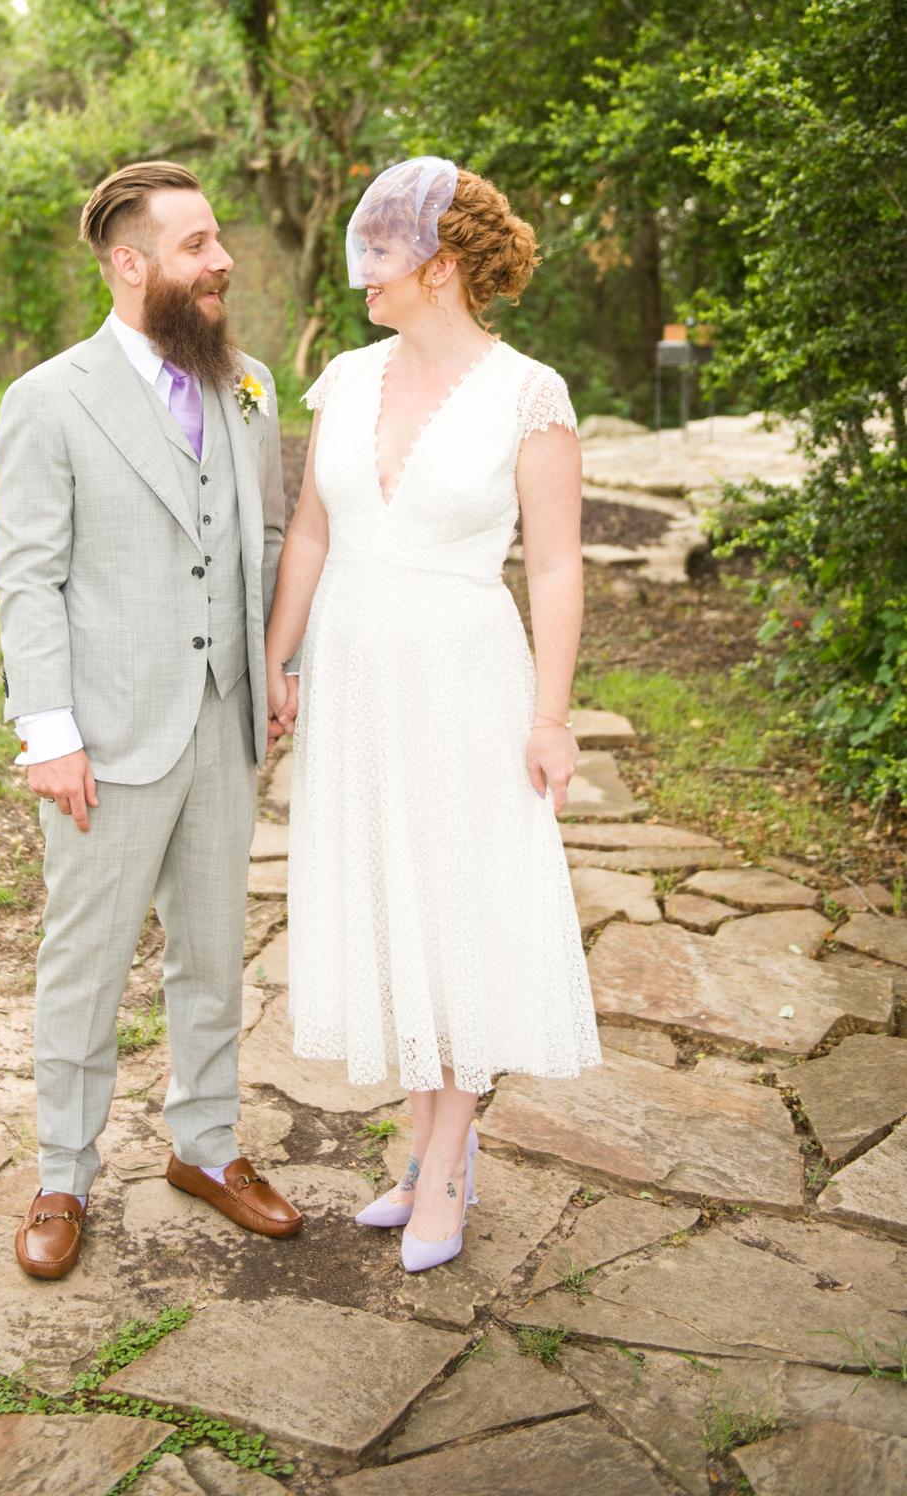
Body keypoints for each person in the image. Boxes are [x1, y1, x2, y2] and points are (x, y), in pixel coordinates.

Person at [264, 156, 600, 1273]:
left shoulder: (528, 394)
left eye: (378, 251)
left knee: (456, 911)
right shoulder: (344, 378)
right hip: (354, 679)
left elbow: (554, 566)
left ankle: (446, 1157)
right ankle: (422, 1142)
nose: (360, 271)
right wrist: (277, 656)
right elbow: (311, 532)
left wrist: (551, 717)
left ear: (440, 265)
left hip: (463, 680)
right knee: (388, 904)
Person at [0, 160, 302, 1280]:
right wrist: (49, 732)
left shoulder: (248, 384)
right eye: (196, 246)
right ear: (130, 264)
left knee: (212, 953)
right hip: (106, 737)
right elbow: (29, 576)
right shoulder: (48, 398)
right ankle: (61, 1173)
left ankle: (205, 1145)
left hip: (224, 724)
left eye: (218, 241)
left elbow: (267, 538)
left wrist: (279, 663)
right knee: (86, 961)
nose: (223, 261)